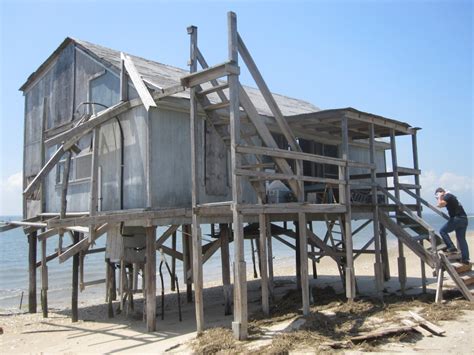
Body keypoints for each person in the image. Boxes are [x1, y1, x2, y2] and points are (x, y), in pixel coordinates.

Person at [435, 187, 469, 264]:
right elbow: (441, 205)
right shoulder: (451, 196)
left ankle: (451, 247)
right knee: (461, 239)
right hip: (464, 219)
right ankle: (465, 259)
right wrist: (440, 199)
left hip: (457, 219)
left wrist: (440, 196)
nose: (437, 197)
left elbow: (440, 204)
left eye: (437, 195)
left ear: (441, 192)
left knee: (442, 231)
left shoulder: (447, 195)